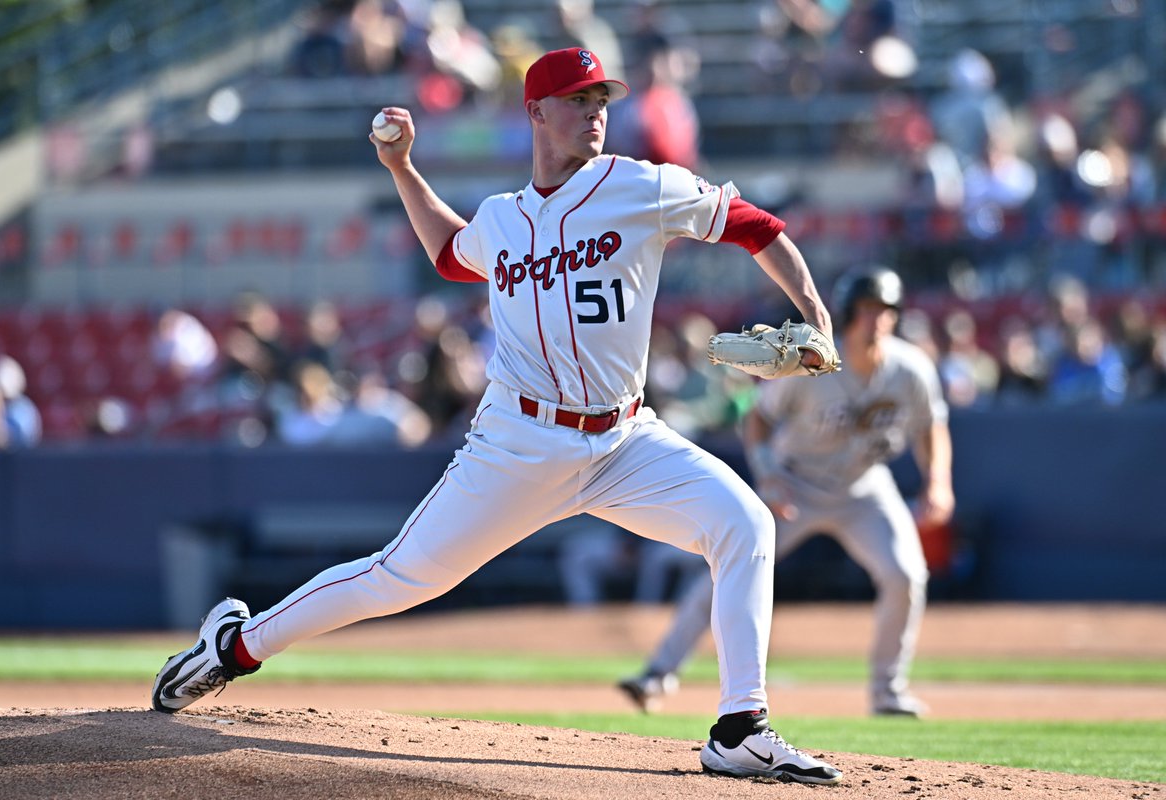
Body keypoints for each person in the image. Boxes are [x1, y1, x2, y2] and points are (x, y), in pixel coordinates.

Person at [151, 47, 843, 785]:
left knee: (745, 524)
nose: (596, 112)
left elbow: (755, 226)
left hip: (624, 438)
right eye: (578, 100)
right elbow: (453, 255)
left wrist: (815, 315)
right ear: (537, 113)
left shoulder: (640, 186)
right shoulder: (503, 219)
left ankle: (741, 727)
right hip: (519, 441)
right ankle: (233, 647)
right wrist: (402, 170)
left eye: (601, 98)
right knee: (397, 578)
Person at [620, 266, 955, 719]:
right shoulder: (811, 365)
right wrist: (769, 476)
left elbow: (931, 425)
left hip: (864, 487)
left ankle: (887, 692)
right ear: (848, 313)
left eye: (885, 311)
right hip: (795, 484)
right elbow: (757, 418)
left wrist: (938, 480)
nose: (877, 320)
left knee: (906, 576)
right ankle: (658, 673)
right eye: (868, 309)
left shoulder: (910, 368)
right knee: (731, 566)